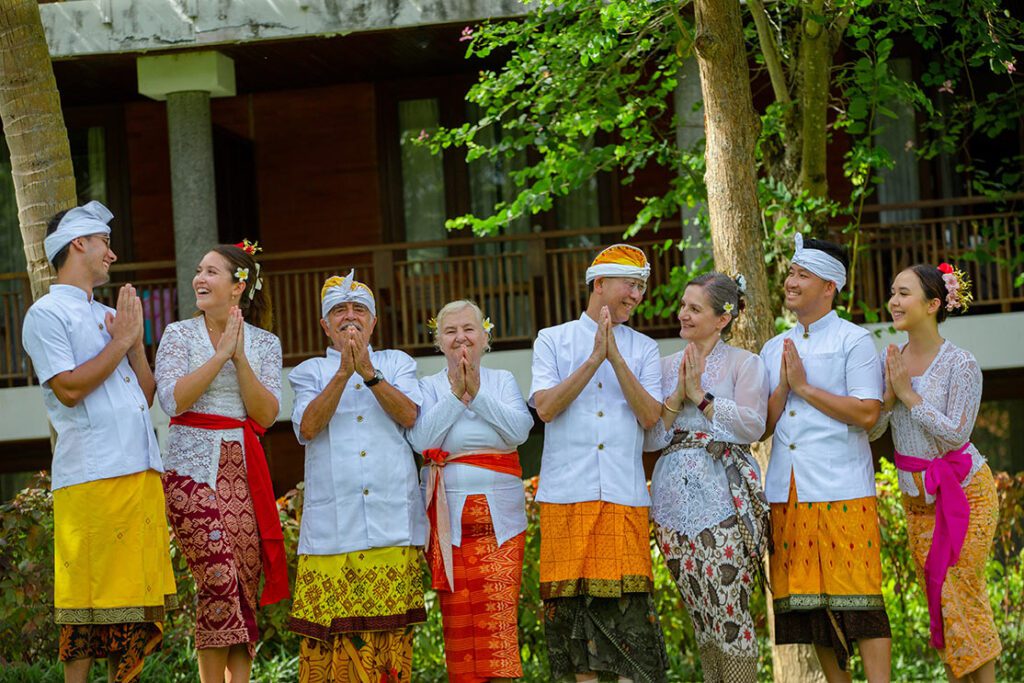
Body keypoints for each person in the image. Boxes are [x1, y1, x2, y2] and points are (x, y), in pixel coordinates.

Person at [22, 201, 176, 683]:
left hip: (140, 473)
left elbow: (146, 394)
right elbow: (67, 388)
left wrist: (134, 343)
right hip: (92, 478)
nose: (112, 254)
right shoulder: (44, 314)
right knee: (87, 609)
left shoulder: (112, 315)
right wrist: (120, 341)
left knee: (131, 612)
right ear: (78, 245)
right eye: (104, 243)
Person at [530, 244, 669, 683]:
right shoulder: (552, 339)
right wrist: (594, 359)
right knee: (573, 631)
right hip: (565, 498)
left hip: (624, 498)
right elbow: (546, 408)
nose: (637, 295)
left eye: (642, 287)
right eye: (631, 285)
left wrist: (615, 357)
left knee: (629, 627)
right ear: (599, 284)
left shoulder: (645, 349)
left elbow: (651, 418)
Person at [155, 240, 288, 683]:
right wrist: (218, 357)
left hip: (244, 469)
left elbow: (266, 414)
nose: (199, 279)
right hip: (190, 469)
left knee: (243, 583)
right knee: (217, 577)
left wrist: (240, 358)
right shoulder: (177, 335)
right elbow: (172, 400)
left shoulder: (266, 343)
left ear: (238, 286)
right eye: (199, 270)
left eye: (211, 272)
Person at [760, 234, 891, 682]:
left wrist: (806, 388)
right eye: (792, 273)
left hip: (842, 488)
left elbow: (868, 411)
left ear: (829, 286)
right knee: (809, 604)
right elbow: (763, 425)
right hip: (787, 489)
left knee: (862, 601)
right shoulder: (773, 345)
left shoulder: (855, 340)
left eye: (802, 275)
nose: (790, 282)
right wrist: (782, 385)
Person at [287, 271, 426, 683]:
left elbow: (411, 416)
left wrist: (368, 372)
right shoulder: (309, 371)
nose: (350, 317)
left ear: (374, 321)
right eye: (339, 311)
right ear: (325, 326)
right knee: (329, 650)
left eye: (359, 309)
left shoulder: (397, 363)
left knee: (389, 651)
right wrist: (344, 372)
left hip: (392, 529)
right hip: (332, 534)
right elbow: (307, 428)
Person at [869, 263, 1000, 682]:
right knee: (942, 600)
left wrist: (909, 395)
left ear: (933, 304)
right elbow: (873, 430)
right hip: (917, 503)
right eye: (893, 292)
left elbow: (957, 434)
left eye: (904, 293)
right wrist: (889, 399)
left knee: (963, 594)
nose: (893, 301)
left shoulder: (961, 363)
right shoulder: (890, 360)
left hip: (966, 493)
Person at [644, 273, 769, 683]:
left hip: (725, 502)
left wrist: (700, 396)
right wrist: (675, 398)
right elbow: (651, 440)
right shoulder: (663, 367)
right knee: (701, 614)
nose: (683, 314)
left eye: (694, 308)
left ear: (722, 318)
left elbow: (753, 425)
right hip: (671, 507)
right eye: (682, 305)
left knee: (730, 610)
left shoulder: (745, 364)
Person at [408, 300, 533, 683]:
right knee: (460, 618)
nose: (460, 337)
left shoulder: (502, 381)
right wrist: (454, 395)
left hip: (503, 524)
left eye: (469, 329)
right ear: (439, 341)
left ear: (484, 336)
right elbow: (422, 440)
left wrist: (476, 394)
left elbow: (519, 432)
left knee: (498, 619)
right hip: (450, 526)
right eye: (450, 331)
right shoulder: (427, 387)